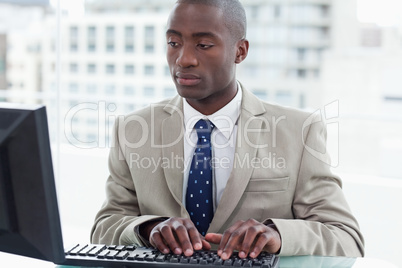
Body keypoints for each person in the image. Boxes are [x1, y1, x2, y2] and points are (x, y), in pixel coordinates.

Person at [91, 0, 364, 259]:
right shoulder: (132, 130)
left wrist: (278, 235)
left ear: (240, 51)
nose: (183, 59)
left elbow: (346, 238)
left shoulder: (299, 131)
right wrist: (148, 229)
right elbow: (104, 227)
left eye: (203, 45)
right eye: (173, 43)